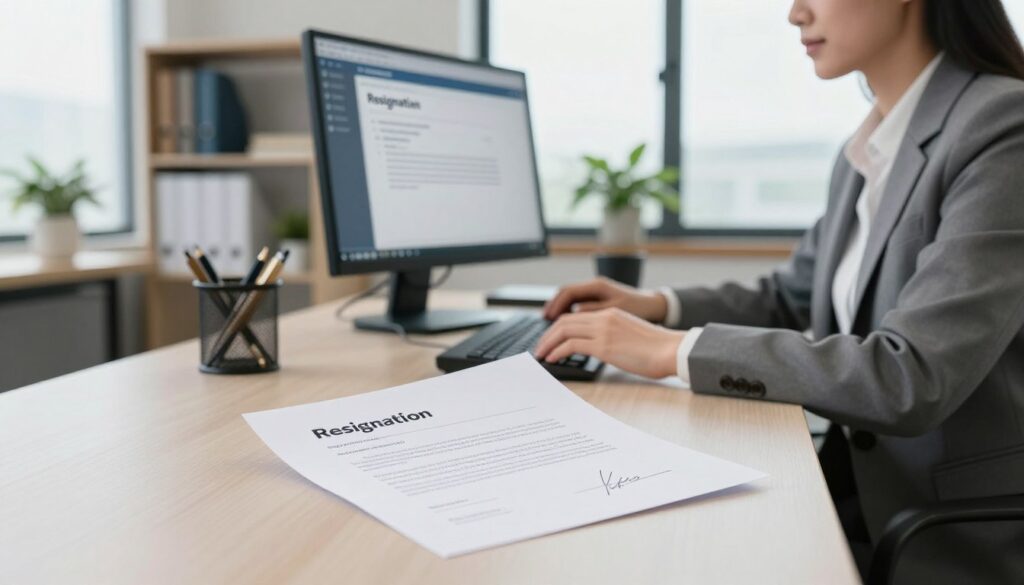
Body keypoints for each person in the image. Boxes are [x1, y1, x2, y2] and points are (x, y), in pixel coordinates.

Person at [535, 0, 1024, 581]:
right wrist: (658, 307)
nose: (795, 13)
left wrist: (672, 351)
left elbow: (910, 377)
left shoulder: (1002, 126)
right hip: (854, 501)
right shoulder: (868, 151)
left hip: (945, 533)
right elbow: (791, 294)